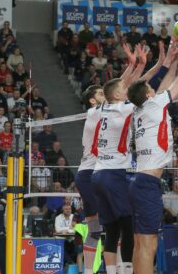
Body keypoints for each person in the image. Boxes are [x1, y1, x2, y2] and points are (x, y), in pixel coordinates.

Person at [126, 34, 178, 274]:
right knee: (148, 243)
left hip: (139, 180)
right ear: (147, 95)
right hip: (146, 183)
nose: (153, 88)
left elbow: (165, 85)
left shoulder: (142, 108)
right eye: (149, 88)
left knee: (140, 242)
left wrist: (173, 60)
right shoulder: (154, 105)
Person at [91, 46, 148, 274]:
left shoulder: (103, 106)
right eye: (123, 91)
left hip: (98, 174)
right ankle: (126, 271)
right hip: (114, 174)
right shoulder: (124, 109)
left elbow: (119, 85)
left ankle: (113, 272)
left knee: (111, 229)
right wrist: (143, 67)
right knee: (128, 225)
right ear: (118, 96)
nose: (127, 91)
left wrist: (133, 65)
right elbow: (135, 88)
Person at [75, 85, 105, 274]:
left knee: (95, 231)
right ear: (92, 100)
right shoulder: (94, 111)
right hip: (89, 176)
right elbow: (120, 87)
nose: (105, 95)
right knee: (113, 222)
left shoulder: (106, 114)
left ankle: (88, 272)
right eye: (101, 93)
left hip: (97, 175)